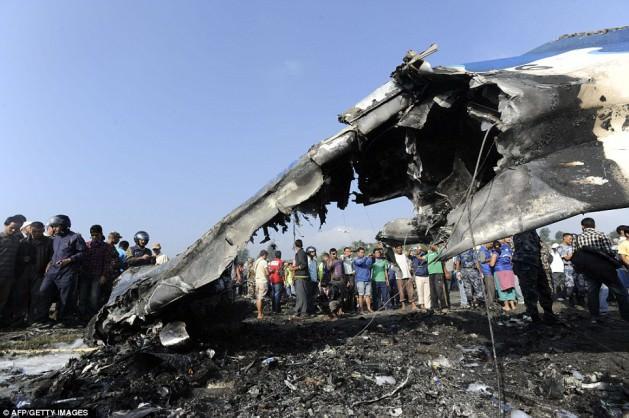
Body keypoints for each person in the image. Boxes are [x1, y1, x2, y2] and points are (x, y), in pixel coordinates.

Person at [571, 218, 629, 322]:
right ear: (594, 225)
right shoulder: (601, 235)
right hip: (604, 268)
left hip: (588, 269)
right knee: (620, 291)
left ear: (582, 226)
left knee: (592, 292)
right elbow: (609, 252)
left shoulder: (577, 238)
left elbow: (576, 254)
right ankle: (626, 316)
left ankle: (594, 317)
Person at [40, 215, 86, 326]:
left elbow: (83, 253)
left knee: (66, 297)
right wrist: (49, 263)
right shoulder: (55, 238)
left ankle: (64, 320)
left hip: (67, 272)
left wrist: (69, 260)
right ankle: (43, 319)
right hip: (52, 271)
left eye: (55, 226)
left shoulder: (75, 237)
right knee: (43, 291)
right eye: (52, 226)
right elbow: (54, 254)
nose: (53, 229)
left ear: (64, 225)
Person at [512, 231, 557, 324]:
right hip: (526, 264)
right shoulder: (519, 232)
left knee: (544, 290)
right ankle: (535, 318)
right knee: (530, 293)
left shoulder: (533, 233)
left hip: (537, 263)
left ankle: (548, 315)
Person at [79, 225, 115, 321]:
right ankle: (81, 316)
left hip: (97, 275)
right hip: (85, 275)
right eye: (92, 235)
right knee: (82, 296)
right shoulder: (86, 245)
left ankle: (92, 318)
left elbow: (107, 263)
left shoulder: (106, 247)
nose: (94, 237)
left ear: (101, 234)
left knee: (94, 297)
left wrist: (104, 276)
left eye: (96, 235)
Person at [22, 222, 53, 325]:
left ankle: (36, 318)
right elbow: (18, 258)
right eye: (34, 231)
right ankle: (24, 318)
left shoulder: (49, 242)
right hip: (25, 274)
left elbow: (52, 257)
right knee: (24, 296)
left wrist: (49, 264)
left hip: (41, 274)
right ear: (30, 230)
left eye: (39, 231)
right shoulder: (23, 242)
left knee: (37, 296)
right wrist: (23, 259)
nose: (36, 233)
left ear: (43, 230)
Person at [0, 216, 26, 326]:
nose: (14, 230)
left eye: (17, 229)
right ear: (5, 225)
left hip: (9, 276)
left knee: (3, 301)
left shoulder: (17, 240)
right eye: (12, 228)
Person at [490, 240, 517, 313]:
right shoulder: (507, 251)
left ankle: (507, 306)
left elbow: (492, 264)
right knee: (510, 288)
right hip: (509, 271)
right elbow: (511, 261)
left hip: (500, 271)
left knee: (502, 289)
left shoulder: (495, 252)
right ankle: (513, 305)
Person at [391, 244, 416, 310]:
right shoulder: (394, 257)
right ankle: (403, 305)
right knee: (401, 291)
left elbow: (409, 263)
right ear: (395, 249)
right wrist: (398, 271)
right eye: (398, 248)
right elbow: (392, 267)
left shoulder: (405, 255)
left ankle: (413, 304)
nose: (399, 249)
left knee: (410, 290)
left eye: (400, 248)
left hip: (407, 275)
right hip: (399, 277)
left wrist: (410, 270)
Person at [426, 244, 448, 312]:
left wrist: (435, 247)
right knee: (433, 291)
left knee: (439, 290)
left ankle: (444, 306)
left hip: (438, 273)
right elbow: (423, 258)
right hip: (431, 274)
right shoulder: (428, 253)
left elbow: (442, 253)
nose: (431, 246)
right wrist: (417, 255)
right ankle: (435, 307)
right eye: (430, 245)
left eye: (433, 245)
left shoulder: (438, 251)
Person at [291, 240, 310, 318]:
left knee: (301, 296)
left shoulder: (301, 253)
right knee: (300, 295)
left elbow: (303, 265)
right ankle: (300, 312)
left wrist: (295, 268)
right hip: (299, 277)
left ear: (295, 245)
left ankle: (301, 312)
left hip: (301, 277)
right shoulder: (299, 253)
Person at [557, 234, 576, 306]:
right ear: (564, 238)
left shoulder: (572, 246)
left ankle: (578, 300)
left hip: (575, 267)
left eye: (572, 239)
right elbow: (567, 258)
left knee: (578, 285)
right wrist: (575, 252)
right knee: (570, 285)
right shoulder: (560, 247)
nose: (571, 240)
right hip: (568, 268)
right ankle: (570, 299)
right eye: (569, 239)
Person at [352, 247, 373, 313]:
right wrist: (366, 257)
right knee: (360, 295)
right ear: (358, 253)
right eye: (361, 252)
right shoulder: (355, 259)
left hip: (368, 279)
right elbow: (360, 263)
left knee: (368, 295)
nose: (362, 254)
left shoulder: (367, 258)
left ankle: (369, 308)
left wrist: (370, 258)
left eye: (363, 252)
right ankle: (361, 310)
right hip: (360, 280)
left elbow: (370, 264)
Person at [327, 248, 347, 314]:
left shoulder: (340, 261)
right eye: (333, 253)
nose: (334, 254)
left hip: (341, 281)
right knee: (333, 296)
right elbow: (329, 268)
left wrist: (345, 280)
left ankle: (340, 310)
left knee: (341, 296)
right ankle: (333, 311)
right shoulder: (329, 261)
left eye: (335, 253)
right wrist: (332, 259)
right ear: (330, 254)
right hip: (333, 281)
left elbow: (343, 270)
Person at [252, 250, 269, 319]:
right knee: (260, 298)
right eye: (266, 255)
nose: (267, 257)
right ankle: (259, 314)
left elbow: (254, 271)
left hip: (257, 281)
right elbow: (267, 272)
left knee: (258, 297)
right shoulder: (264, 262)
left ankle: (260, 313)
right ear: (264, 255)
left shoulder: (256, 262)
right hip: (263, 281)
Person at [341, 247, 356, 312]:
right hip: (345, 276)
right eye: (347, 251)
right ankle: (344, 308)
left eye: (349, 251)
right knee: (344, 292)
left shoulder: (352, 259)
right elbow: (342, 258)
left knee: (351, 292)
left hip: (351, 276)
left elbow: (354, 267)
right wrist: (347, 255)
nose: (348, 252)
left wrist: (354, 271)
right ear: (344, 252)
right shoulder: (342, 257)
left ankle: (351, 308)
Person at [306, 246, 319, 313]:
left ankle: (313, 309)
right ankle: (309, 310)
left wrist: (317, 279)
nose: (314, 253)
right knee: (309, 296)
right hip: (309, 281)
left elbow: (315, 271)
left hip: (315, 280)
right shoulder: (307, 260)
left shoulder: (314, 260)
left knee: (314, 296)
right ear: (309, 252)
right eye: (312, 252)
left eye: (314, 252)